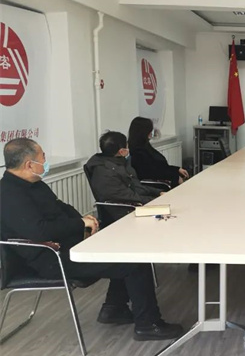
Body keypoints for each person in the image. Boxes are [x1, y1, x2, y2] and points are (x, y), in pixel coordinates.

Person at [0, 138, 183, 341]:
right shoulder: (9, 194)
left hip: (70, 245)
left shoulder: (34, 184)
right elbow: (40, 231)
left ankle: (114, 308)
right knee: (134, 262)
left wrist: (86, 222)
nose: (45, 161)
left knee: (128, 247)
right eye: (42, 157)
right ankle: (148, 324)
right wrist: (80, 224)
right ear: (29, 164)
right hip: (49, 258)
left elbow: (62, 208)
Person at [128, 117, 189, 188]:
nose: (151, 132)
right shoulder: (138, 153)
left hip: (161, 177)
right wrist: (175, 176)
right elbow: (154, 173)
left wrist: (177, 169)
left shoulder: (145, 145)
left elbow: (160, 166)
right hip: (156, 184)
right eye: (150, 130)